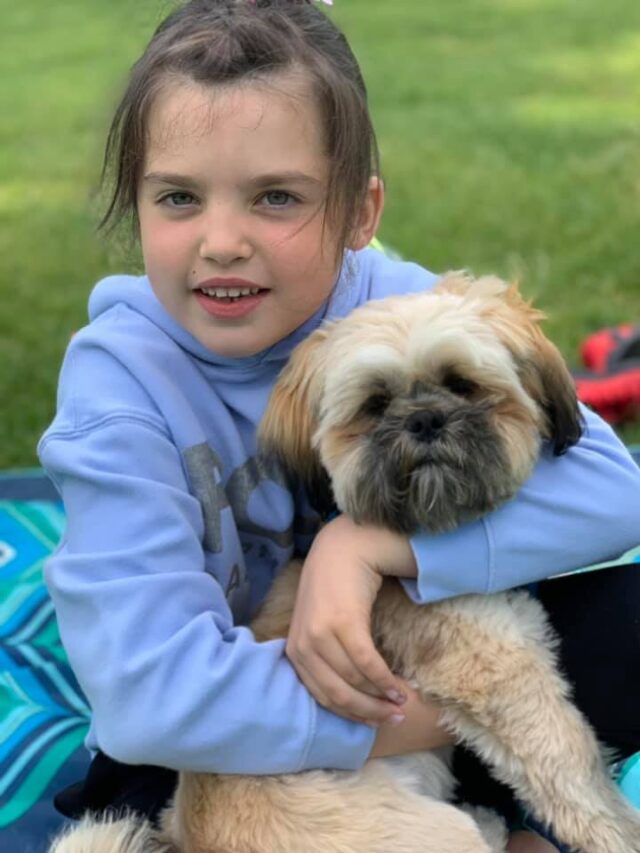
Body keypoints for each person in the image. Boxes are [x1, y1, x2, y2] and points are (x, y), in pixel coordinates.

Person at [38, 1, 640, 851]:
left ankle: (510, 813)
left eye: (275, 197)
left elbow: (616, 490)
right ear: (133, 205)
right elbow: (147, 699)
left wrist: (360, 550)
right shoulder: (118, 386)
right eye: (178, 197)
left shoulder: (393, 301)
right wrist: (452, 712)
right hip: (222, 739)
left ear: (361, 213)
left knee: (626, 615)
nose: (221, 242)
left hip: (405, 655)